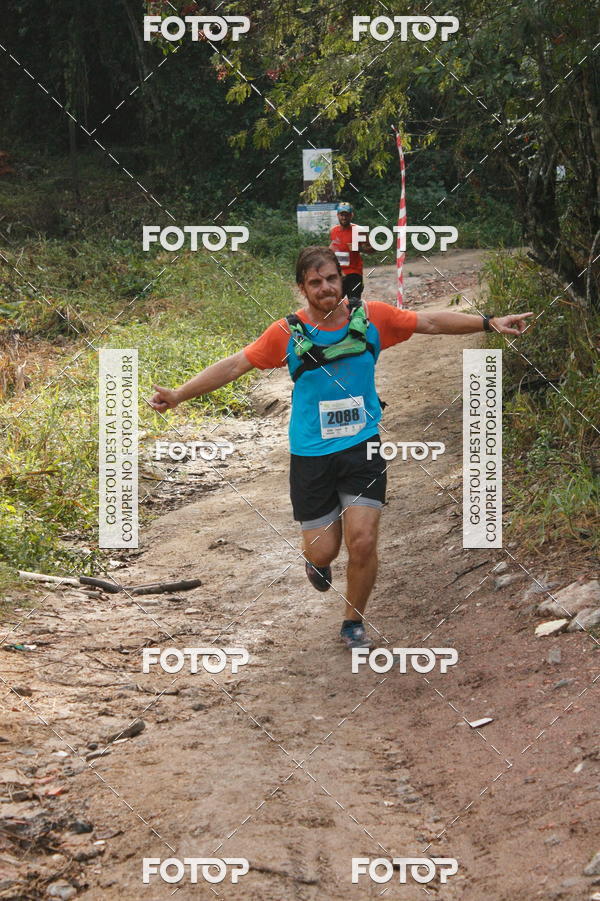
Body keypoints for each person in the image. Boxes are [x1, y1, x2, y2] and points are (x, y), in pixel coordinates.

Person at [150, 247, 532, 650]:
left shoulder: (372, 318)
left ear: (342, 280)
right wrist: (178, 394)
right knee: (324, 550)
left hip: (361, 447)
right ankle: (315, 563)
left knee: (363, 541)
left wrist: (489, 323)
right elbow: (234, 365)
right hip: (311, 456)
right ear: (302, 288)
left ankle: (353, 622)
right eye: (315, 282)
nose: (326, 288)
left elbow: (430, 322)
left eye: (331, 278)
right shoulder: (287, 333)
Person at [329, 201, 374, 301]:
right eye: (342, 215)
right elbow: (332, 247)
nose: (344, 217)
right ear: (337, 215)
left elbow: (372, 250)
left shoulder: (359, 230)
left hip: (354, 273)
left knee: (354, 304)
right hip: (338, 274)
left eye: (347, 215)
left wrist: (359, 248)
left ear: (351, 215)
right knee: (335, 303)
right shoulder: (333, 231)